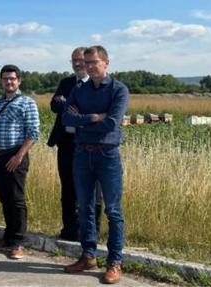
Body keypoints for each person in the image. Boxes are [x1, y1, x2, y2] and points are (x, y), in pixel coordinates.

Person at [62, 45, 129, 284]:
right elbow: (66, 118)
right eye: (86, 62)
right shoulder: (80, 89)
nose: (89, 66)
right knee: (85, 207)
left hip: (107, 155)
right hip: (82, 154)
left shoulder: (119, 90)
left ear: (106, 63)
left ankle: (114, 261)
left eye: (94, 62)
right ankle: (89, 255)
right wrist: (92, 117)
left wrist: (83, 120)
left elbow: (112, 123)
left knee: (112, 210)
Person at [0, 64, 40, 260]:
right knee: (5, 198)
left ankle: (18, 242)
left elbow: (33, 133)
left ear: (19, 81)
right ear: (1, 81)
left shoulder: (27, 103)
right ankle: (8, 238)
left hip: (15, 156)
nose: (9, 82)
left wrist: (19, 156)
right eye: (5, 79)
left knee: (16, 199)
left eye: (12, 79)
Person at [48, 47, 102, 241]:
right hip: (67, 143)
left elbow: (91, 111)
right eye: (74, 60)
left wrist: (72, 108)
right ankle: (69, 231)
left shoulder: (97, 85)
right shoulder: (66, 82)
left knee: (92, 190)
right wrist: (72, 108)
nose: (78, 64)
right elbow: (54, 105)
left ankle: (91, 232)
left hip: (88, 144)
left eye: (81, 60)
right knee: (68, 189)